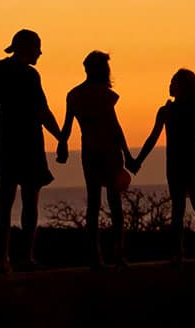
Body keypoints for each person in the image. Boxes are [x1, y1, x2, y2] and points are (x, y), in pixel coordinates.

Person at [132, 68, 195, 266]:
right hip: (189, 163)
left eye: (172, 82)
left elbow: (154, 138)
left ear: (180, 87)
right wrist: (139, 160)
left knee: (182, 209)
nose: (169, 85)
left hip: (181, 164)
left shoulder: (170, 111)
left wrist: (138, 160)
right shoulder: (181, 110)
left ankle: (182, 253)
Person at [0, 29, 61, 273]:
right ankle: (20, 257)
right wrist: (61, 137)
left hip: (11, 143)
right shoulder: (25, 74)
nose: (40, 52)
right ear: (26, 47)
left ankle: (5, 258)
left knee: (7, 202)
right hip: (24, 144)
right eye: (37, 47)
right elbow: (43, 112)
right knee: (25, 202)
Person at [56, 50, 134, 270]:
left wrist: (62, 146)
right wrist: (127, 154)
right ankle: (117, 253)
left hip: (90, 152)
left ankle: (95, 255)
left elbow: (67, 126)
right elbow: (115, 127)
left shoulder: (74, 95)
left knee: (94, 203)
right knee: (114, 203)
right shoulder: (104, 95)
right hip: (108, 151)